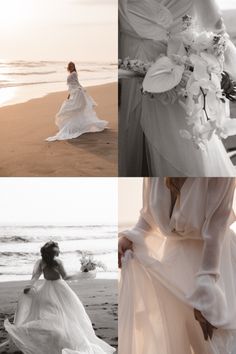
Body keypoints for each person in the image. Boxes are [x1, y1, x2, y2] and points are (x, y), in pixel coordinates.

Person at [119, 0, 236, 176]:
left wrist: (220, 70)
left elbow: (215, 29)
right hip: (133, 74)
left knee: (185, 146)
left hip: (182, 72)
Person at [118, 178, 236, 354]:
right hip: (173, 268)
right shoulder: (154, 165)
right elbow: (149, 215)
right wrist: (131, 236)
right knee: (178, 338)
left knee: (215, 342)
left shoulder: (216, 166)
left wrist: (207, 286)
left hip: (216, 263)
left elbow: (215, 229)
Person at [4, 241, 115, 354]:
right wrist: (83, 274)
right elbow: (65, 277)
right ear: (54, 253)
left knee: (58, 313)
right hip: (57, 289)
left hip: (50, 289)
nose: (58, 252)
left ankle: (57, 337)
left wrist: (30, 285)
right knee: (60, 314)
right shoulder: (53, 262)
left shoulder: (43, 262)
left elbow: (36, 276)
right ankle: (56, 336)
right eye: (57, 251)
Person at [46, 62, 108, 141]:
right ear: (68, 67)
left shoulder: (74, 73)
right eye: (70, 66)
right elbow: (71, 86)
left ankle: (75, 127)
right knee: (72, 109)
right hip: (74, 93)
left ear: (74, 67)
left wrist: (81, 89)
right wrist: (69, 95)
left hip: (77, 93)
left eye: (72, 66)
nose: (71, 67)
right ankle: (75, 127)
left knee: (75, 109)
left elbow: (77, 83)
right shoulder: (72, 73)